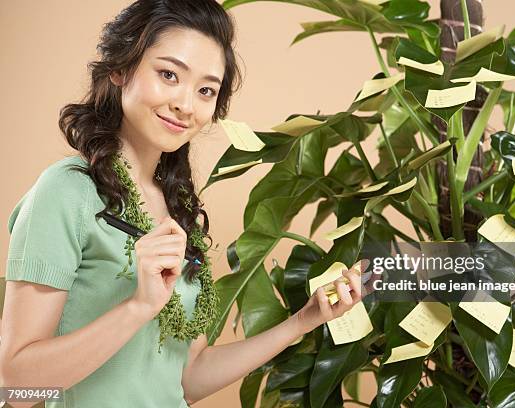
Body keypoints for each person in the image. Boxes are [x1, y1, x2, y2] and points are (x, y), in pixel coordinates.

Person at [0, 1, 362, 407]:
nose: (186, 105)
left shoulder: (178, 209)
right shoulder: (67, 192)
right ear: (119, 69)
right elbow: (16, 387)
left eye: (206, 90)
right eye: (168, 74)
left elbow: (186, 379)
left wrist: (304, 320)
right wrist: (138, 307)